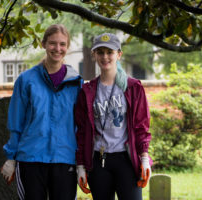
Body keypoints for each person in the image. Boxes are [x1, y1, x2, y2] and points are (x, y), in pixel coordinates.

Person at [0, 24, 83, 200]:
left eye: (62, 44)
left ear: (67, 47)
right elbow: (16, 121)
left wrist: (81, 160)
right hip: (31, 158)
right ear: (44, 44)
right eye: (52, 43)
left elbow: (81, 125)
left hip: (64, 158)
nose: (57, 49)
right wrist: (11, 157)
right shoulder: (26, 80)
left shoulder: (77, 83)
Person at [75, 33, 152, 200]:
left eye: (109, 52)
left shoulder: (133, 87)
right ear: (94, 55)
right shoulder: (87, 92)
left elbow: (141, 126)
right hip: (98, 162)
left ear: (119, 54)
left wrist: (144, 158)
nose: (105, 57)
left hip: (126, 160)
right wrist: (81, 165)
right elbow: (81, 131)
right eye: (100, 52)